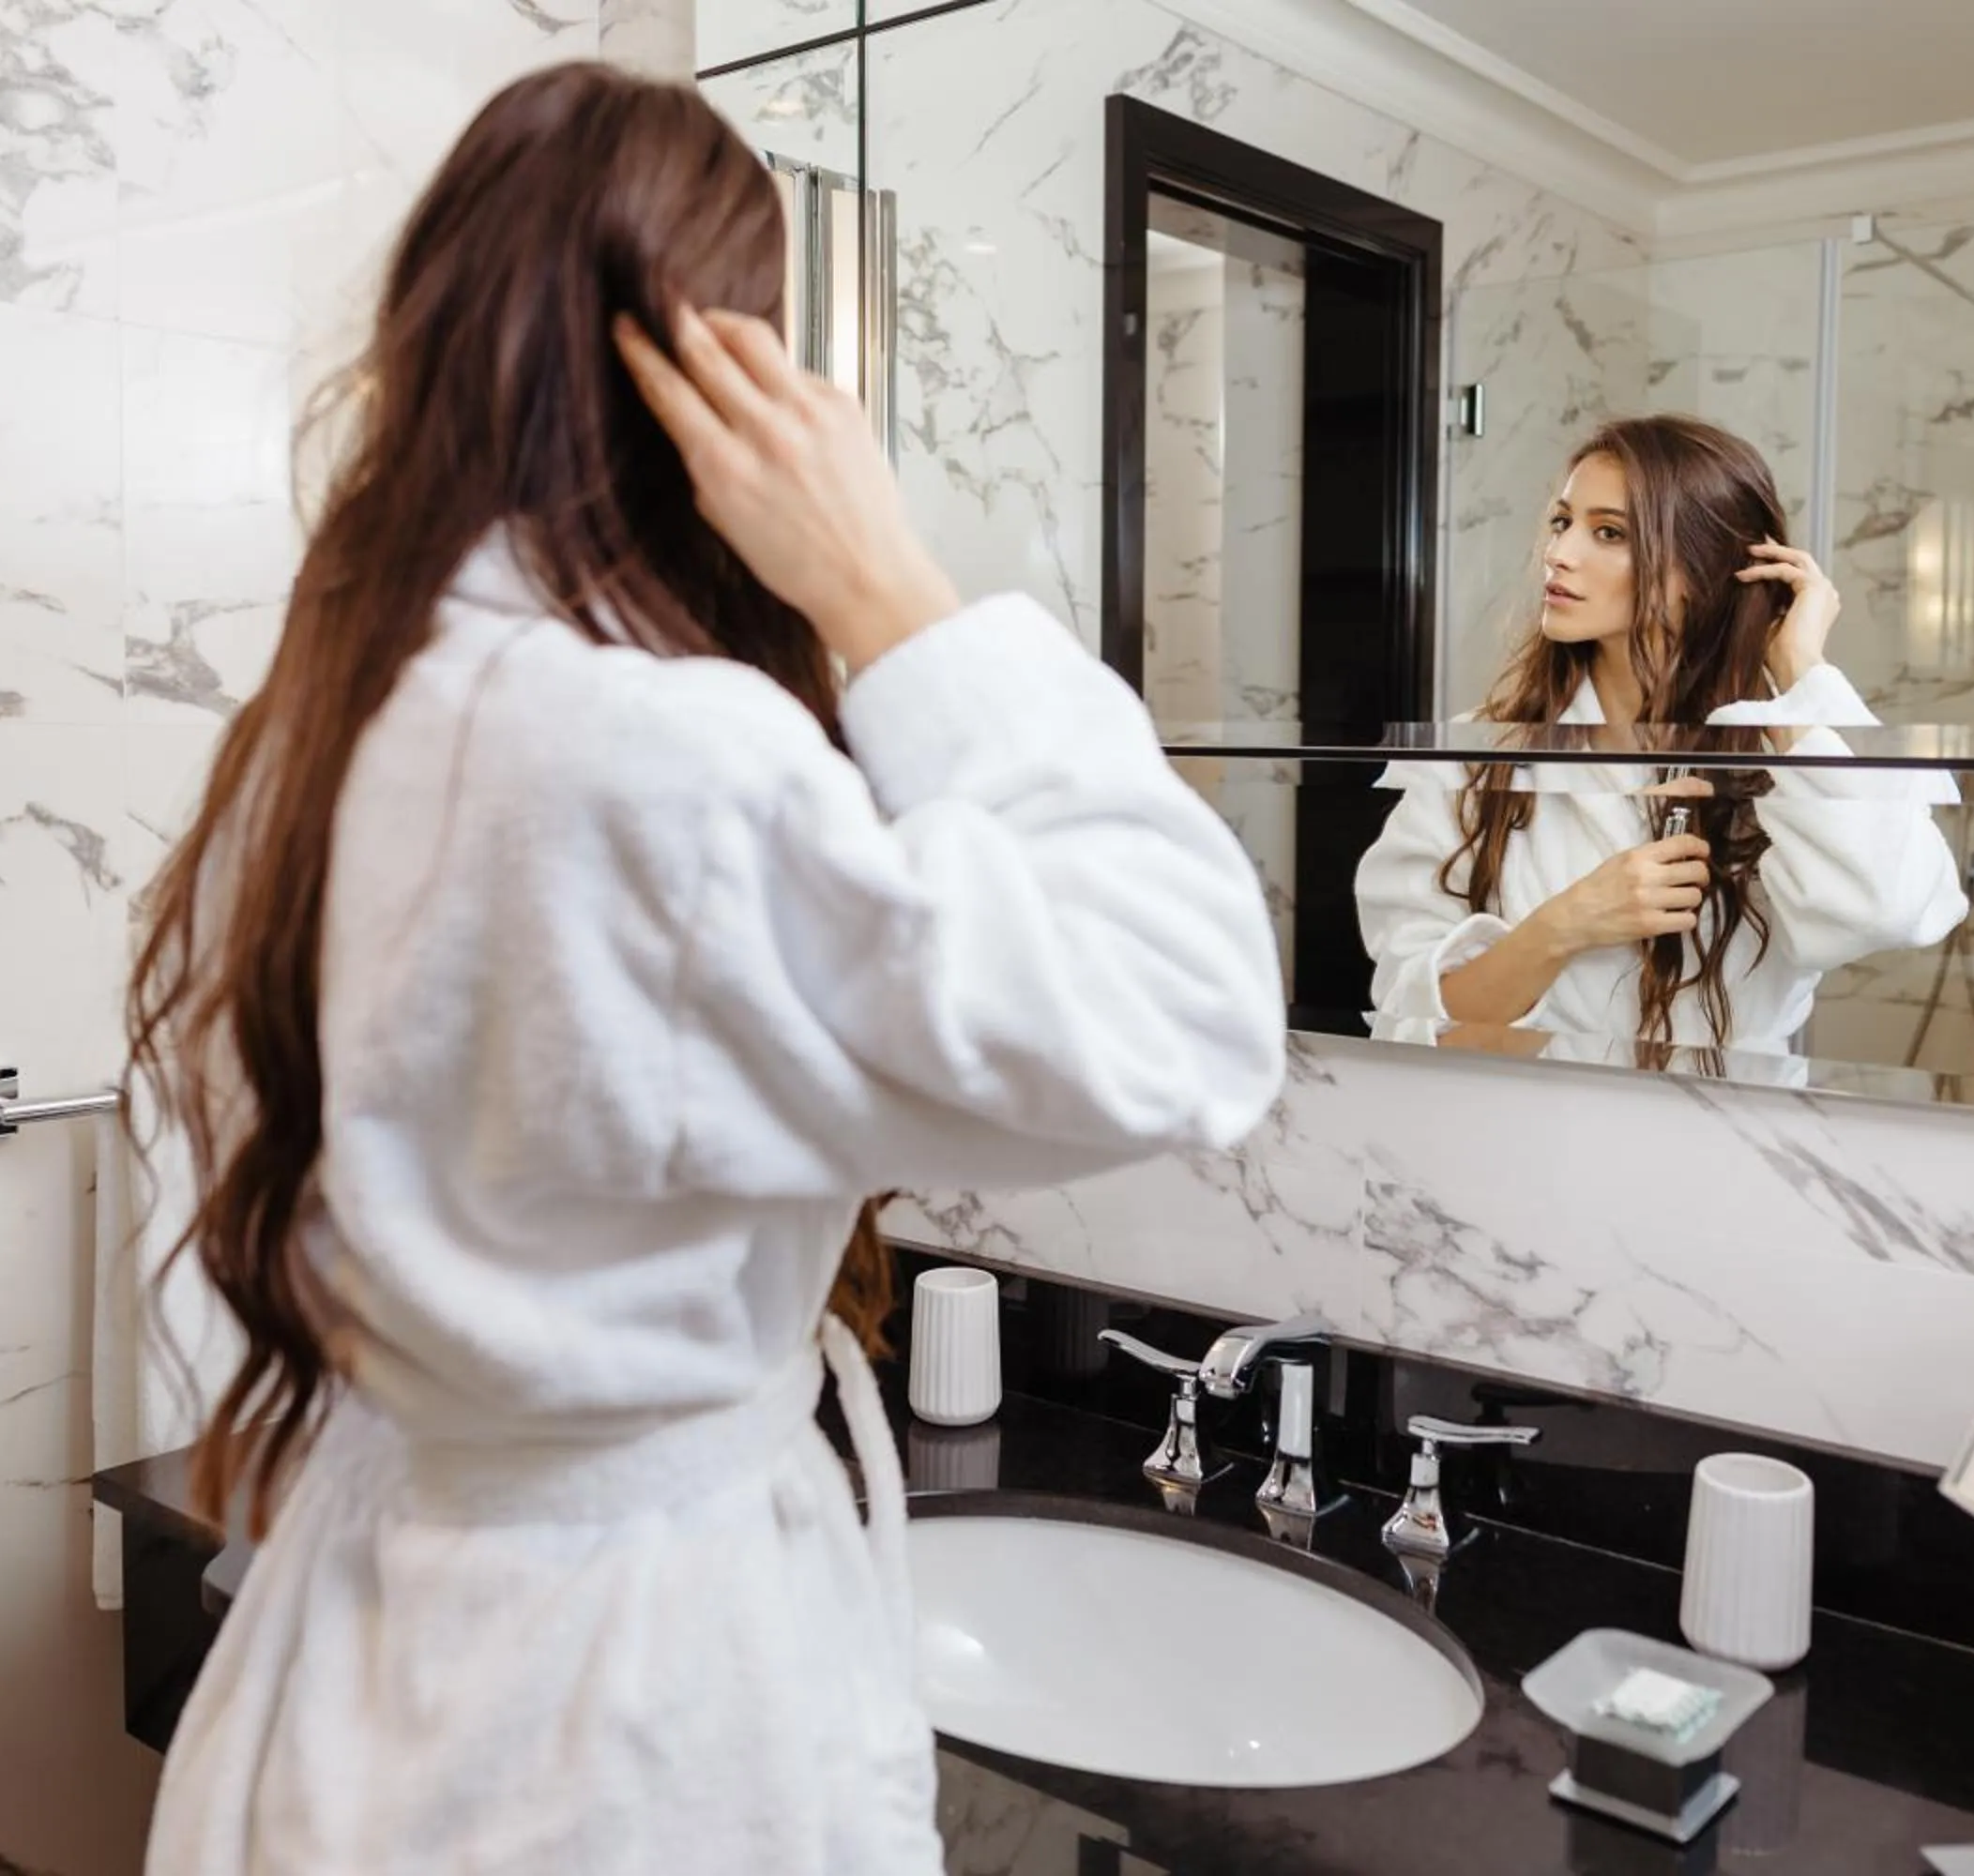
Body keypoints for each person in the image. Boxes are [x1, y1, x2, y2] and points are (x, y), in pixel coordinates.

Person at [126, 64, 1285, 1875]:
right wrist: (889, 589)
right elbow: (1187, 1015)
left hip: (357, 1660)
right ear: (721, 381)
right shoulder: (648, 757)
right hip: (614, 1714)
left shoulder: (316, 734)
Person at [1355, 415, 1965, 1077]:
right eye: (1563, 522)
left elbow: (1887, 909)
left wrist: (1800, 672)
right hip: (1529, 1120)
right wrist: (1567, 923)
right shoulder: (1476, 757)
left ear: (1701, 572)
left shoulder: (1782, 756)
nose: (1559, 553)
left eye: (1609, 533)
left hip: (1735, 1127)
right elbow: (1411, 1025)